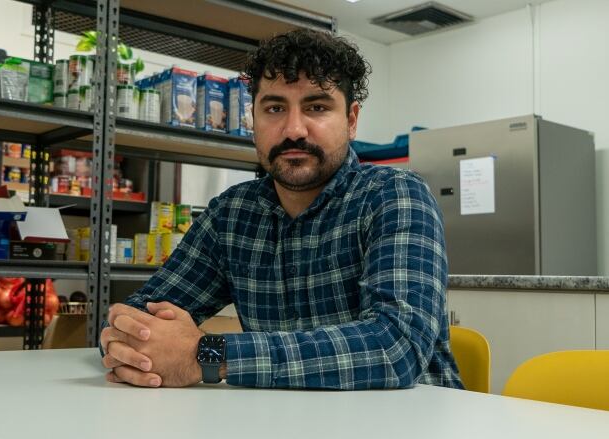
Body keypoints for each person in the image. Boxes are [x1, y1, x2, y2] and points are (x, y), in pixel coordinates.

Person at [100, 28, 464, 390]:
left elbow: (395, 348)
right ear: (252, 120)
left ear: (351, 120)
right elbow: (142, 315)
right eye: (275, 108)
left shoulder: (396, 196)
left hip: (408, 422)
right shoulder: (231, 215)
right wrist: (130, 340)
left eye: (317, 107)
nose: (293, 130)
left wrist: (205, 353)